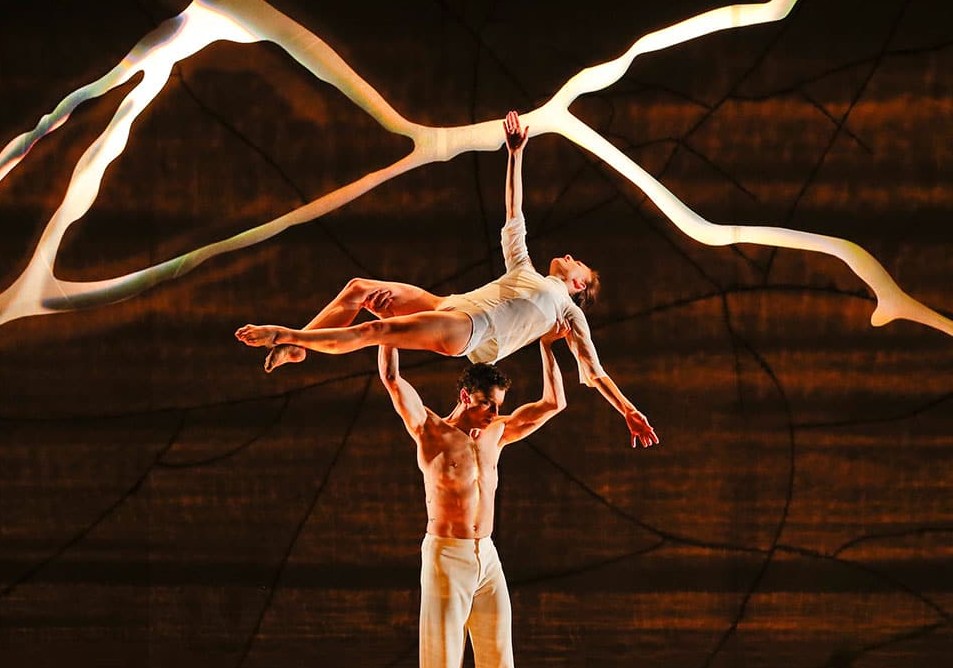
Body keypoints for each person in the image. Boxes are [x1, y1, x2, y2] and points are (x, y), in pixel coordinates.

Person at [237, 111, 658, 448]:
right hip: (448, 305)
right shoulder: (526, 269)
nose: (568, 257)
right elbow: (514, 214)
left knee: (374, 330)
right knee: (359, 289)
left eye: (577, 264)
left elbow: (595, 373)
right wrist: (515, 154)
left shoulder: (566, 313)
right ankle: (299, 347)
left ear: (579, 286)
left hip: (468, 330)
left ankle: (284, 334)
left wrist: (628, 410)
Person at [378, 328, 567, 668]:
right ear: (465, 397)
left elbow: (554, 403)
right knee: (442, 663)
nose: (493, 413)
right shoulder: (429, 430)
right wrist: (390, 325)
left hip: (488, 557)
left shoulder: (496, 433)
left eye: (498, 405)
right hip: (447, 553)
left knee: (498, 657)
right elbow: (392, 378)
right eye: (486, 404)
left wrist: (547, 346)